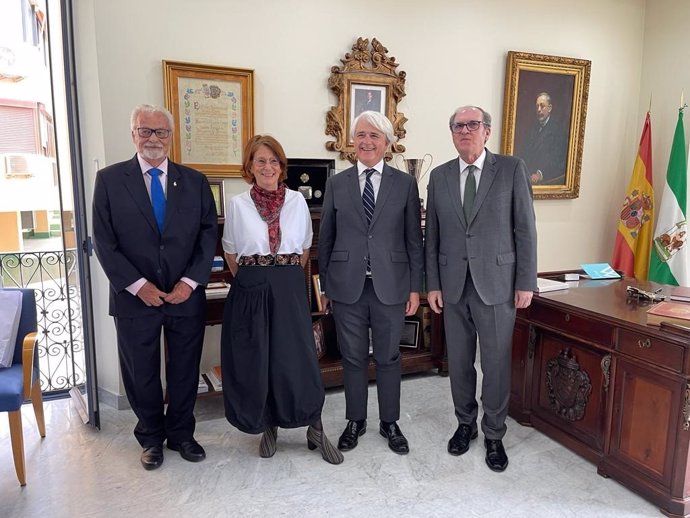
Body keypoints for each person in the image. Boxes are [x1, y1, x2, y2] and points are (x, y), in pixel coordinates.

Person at [92, 104, 217, 470]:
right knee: (141, 372)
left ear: (171, 137)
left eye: (161, 132)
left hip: (184, 296)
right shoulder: (110, 180)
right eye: (145, 131)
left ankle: (181, 434)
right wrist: (137, 285)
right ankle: (150, 437)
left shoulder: (194, 181)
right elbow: (104, 241)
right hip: (134, 299)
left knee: (183, 370)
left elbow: (207, 234)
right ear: (133, 134)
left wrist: (190, 283)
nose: (153, 139)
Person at [425, 105, 537, 472]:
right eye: (458, 126)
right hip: (453, 286)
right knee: (458, 362)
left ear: (487, 131)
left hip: (498, 285)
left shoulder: (510, 169)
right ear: (452, 133)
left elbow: (525, 229)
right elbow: (433, 238)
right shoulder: (439, 177)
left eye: (473, 125)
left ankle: (494, 434)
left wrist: (525, 281)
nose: (465, 131)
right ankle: (465, 424)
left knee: (494, 363)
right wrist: (432, 284)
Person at [220, 135, 343, 465]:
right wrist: (257, 277)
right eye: (260, 160)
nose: (268, 167)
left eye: (273, 161)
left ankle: (314, 427)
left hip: (288, 286)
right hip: (251, 287)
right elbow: (231, 252)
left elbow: (304, 250)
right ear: (249, 166)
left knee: (298, 359)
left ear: (282, 166)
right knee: (260, 359)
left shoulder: (297, 202)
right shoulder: (237, 204)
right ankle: (268, 425)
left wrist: (280, 276)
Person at [318, 111, 424, 455]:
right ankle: (355, 420)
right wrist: (325, 286)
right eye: (361, 135)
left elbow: (413, 240)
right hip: (347, 286)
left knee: (389, 357)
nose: (366, 141)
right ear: (353, 141)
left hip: (391, 285)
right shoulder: (337, 183)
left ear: (387, 144)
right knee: (352, 357)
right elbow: (327, 238)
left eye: (375, 136)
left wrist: (414, 288)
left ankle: (389, 422)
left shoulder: (405, 183)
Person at [517, 92, 568, 185]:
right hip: (528, 177)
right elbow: (524, 153)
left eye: (542, 106)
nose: (539, 110)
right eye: (537, 106)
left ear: (550, 108)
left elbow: (558, 162)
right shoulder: (532, 129)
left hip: (547, 180)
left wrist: (540, 174)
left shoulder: (558, 132)